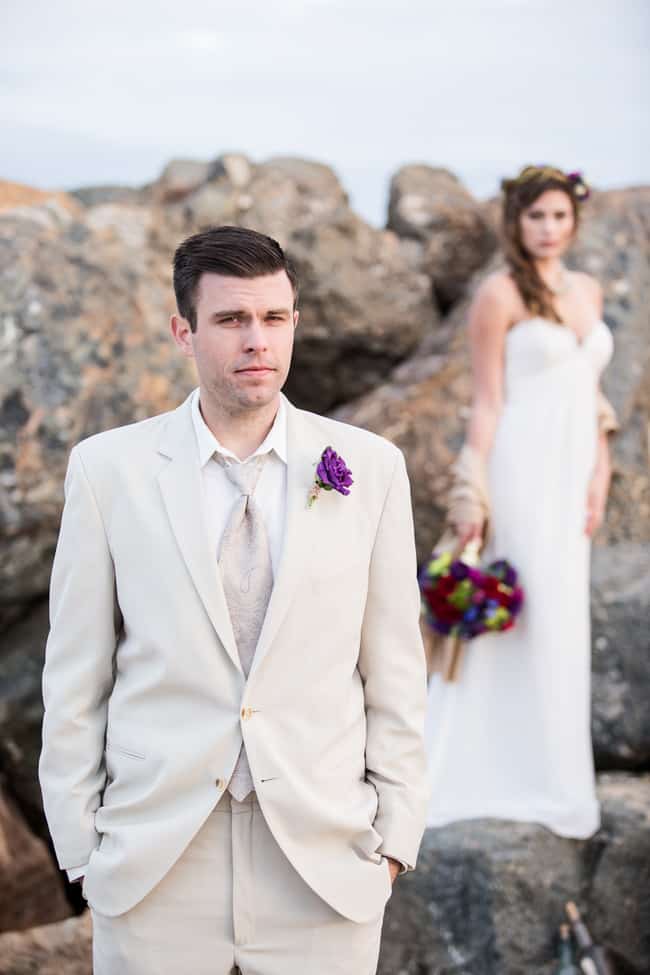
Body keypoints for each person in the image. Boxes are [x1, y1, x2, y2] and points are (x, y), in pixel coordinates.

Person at [39, 225, 428, 975]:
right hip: (156, 862)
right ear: (183, 331)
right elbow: (75, 677)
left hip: (324, 862)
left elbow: (395, 672)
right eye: (231, 320)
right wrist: (84, 854)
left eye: (274, 318)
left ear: (295, 324)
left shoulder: (370, 469)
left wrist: (393, 843)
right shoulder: (106, 471)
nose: (258, 340)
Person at [424, 165, 618, 839]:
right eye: (536, 216)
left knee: (563, 618)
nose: (548, 229)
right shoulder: (497, 294)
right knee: (521, 613)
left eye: (560, 216)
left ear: (575, 221)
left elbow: (592, 394)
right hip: (521, 469)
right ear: (516, 222)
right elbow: (488, 400)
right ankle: (489, 769)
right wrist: (470, 491)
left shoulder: (589, 289)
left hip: (573, 476)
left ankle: (558, 775)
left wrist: (602, 471)